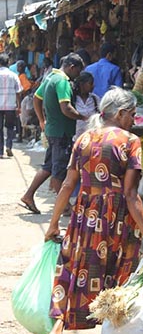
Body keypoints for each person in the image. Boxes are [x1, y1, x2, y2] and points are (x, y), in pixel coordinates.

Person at [43, 87, 143, 334]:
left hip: (84, 216)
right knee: (120, 277)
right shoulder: (130, 141)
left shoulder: (83, 139)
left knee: (73, 270)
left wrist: (54, 222)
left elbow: (68, 185)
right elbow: (131, 195)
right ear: (119, 114)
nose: (135, 117)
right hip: (116, 220)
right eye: (131, 113)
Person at [20, 53, 86, 214]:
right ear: (72, 67)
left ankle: (28, 195)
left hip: (52, 130)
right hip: (61, 133)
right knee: (59, 170)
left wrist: (42, 120)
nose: (78, 76)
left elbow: (36, 98)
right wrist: (83, 117)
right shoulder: (62, 81)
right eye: (78, 72)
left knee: (48, 166)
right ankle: (63, 205)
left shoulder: (50, 77)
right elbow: (66, 108)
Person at [0, 53, 22, 158]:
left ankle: (0, 151)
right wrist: (19, 106)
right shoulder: (14, 75)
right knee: (10, 127)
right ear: (8, 63)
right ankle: (9, 146)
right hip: (10, 105)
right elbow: (18, 92)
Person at [73, 71, 100, 140]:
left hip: (92, 138)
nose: (93, 86)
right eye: (90, 83)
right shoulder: (73, 99)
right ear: (82, 85)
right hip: (76, 138)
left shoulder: (95, 99)